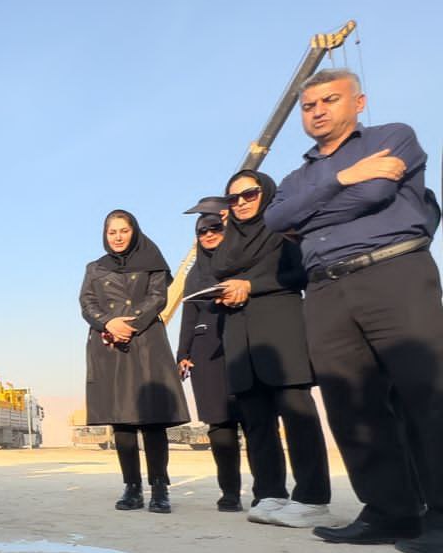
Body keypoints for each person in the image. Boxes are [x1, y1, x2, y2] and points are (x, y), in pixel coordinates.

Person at [264, 68, 443, 553]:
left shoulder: (392, 137)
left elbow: (375, 194)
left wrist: (310, 211)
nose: (318, 111)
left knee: (426, 393)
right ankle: (389, 511)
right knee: (350, 403)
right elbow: (277, 219)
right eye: (309, 105)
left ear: (358, 102)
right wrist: (344, 178)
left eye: (329, 100)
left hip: (394, 271)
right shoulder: (295, 177)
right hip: (325, 289)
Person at [212, 169, 336, 528]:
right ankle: (269, 493)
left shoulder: (284, 230)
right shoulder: (227, 242)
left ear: (265, 193)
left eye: (249, 194)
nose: (241, 203)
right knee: (257, 423)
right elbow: (216, 274)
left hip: (281, 334)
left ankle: (312, 497)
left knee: (298, 417)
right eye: (233, 198)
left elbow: (301, 273)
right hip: (240, 337)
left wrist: (250, 285)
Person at [81, 210, 190, 513]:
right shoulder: (94, 268)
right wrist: (108, 323)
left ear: (134, 232)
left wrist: (129, 325)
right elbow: (87, 303)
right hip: (109, 345)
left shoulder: (152, 262)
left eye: (123, 231)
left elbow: (158, 298)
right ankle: (131, 487)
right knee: (121, 421)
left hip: (145, 344)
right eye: (112, 232)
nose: (117, 237)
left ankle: (159, 487)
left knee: (152, 420)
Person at [176, 209, 243, 512]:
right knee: (219, 425)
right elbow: (188, 316)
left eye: (215, 228)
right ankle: (230, 492)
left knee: (255, 420)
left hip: (243, 341)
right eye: (202, 231)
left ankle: (269, 491)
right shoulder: (195, 275)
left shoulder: (243, 260)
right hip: (206, 349)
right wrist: (183, 353)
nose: (209, 234)